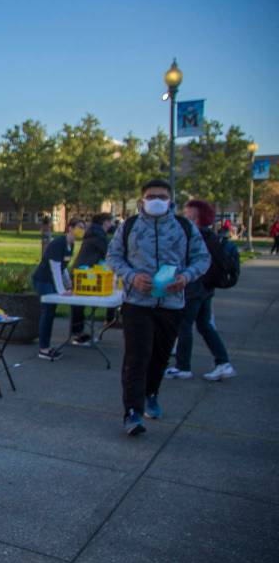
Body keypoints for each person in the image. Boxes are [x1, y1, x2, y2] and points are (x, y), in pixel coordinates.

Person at [106, 179, 210, 435]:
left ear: (170, 200)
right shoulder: (129, 226)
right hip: (136, 303)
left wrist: (185, 277)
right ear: (142, 200)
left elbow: (202, 258)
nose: (156, 200)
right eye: (151, 196)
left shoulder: (183, 227)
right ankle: (132, 412)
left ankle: (151, 393)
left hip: (171, 304)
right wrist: (131, 276)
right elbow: (113, 257)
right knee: (136, 357)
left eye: (161, 196)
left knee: (160, 356)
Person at [166, 200, 235, 382]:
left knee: (185, 326)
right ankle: (223, 362)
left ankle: (183, 366)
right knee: (205, 325)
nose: (185, 216)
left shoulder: (196, 236)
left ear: (196, 217)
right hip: (205, 287)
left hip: (194, 287)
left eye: (188, 214)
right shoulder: (210, 236)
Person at [31, 216, 86, 361]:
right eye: (79, 227)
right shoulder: (58, 243)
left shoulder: (71, 245)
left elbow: (63, 268)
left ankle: (47, 347)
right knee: (47, 312)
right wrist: (62, 291)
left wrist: (69, 285)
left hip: (51, 281)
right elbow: (55, 268)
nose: (82, 230)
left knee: (50, 312)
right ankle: (43, 349)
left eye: (83, 228)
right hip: (43, 280)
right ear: (70, 228)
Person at [69, 213, 115, 344]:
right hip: (84, 273)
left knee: (79, 304)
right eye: (110, 222)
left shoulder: (94, 233)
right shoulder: (99, 236)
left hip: (82, 271)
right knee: (79, 303)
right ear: (105, 222)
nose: (112, 225)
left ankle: (78, 331)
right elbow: (109, 254)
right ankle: (78, 333)